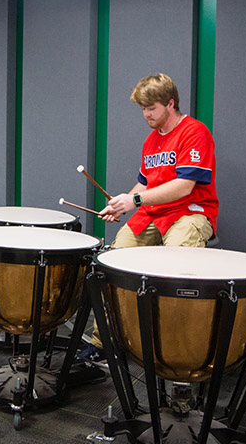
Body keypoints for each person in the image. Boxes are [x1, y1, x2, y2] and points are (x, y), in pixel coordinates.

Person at [77, 73, 218, 365]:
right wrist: (121, 204)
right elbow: (144, 184)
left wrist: (135, 200)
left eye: (151, 108)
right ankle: (104, 344)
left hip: (189, 212)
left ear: (171, 103)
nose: (146, 115)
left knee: (175, 271)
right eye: (143, 109)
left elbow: (184, 186)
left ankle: (174, 351)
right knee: (110, 266)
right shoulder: (152, 140)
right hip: (152, 214)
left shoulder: (195, 132)